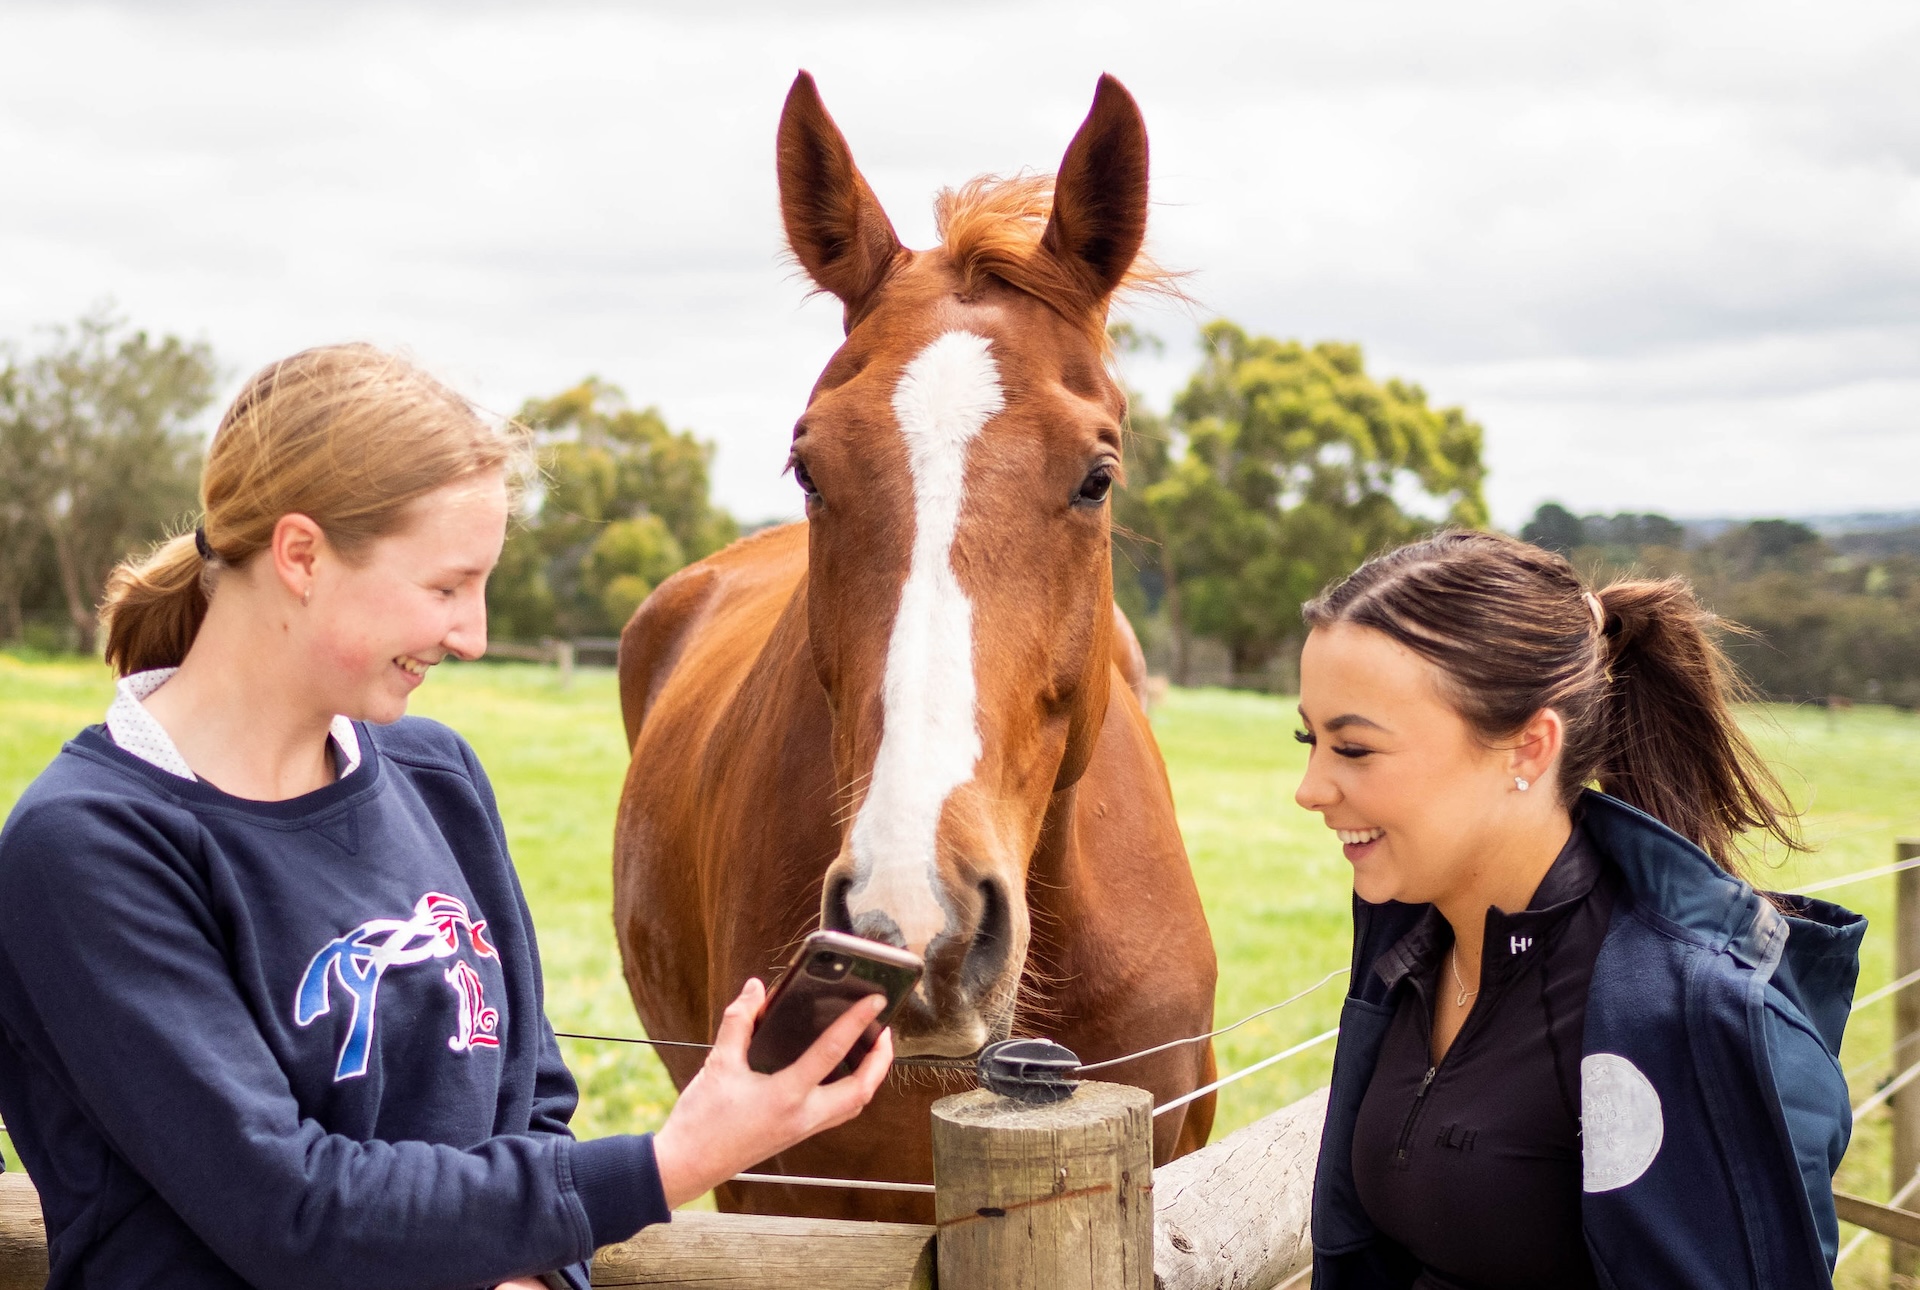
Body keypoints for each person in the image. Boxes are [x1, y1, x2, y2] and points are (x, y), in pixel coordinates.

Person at [0, 345, 893, 1290]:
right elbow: (289, 1211)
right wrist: (673, 1162)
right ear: (301, 556)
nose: (473, 634)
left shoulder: (437, 777)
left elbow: (532, 1111)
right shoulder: (88, 847)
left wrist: (537, 1278)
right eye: (445, 587)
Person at [1296, 530, 1863, 1290]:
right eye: (1308, 738)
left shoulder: (1684, 1016)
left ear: (1530, 747)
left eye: (1354, 749)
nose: (1309, 788)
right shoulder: (1409, 938)